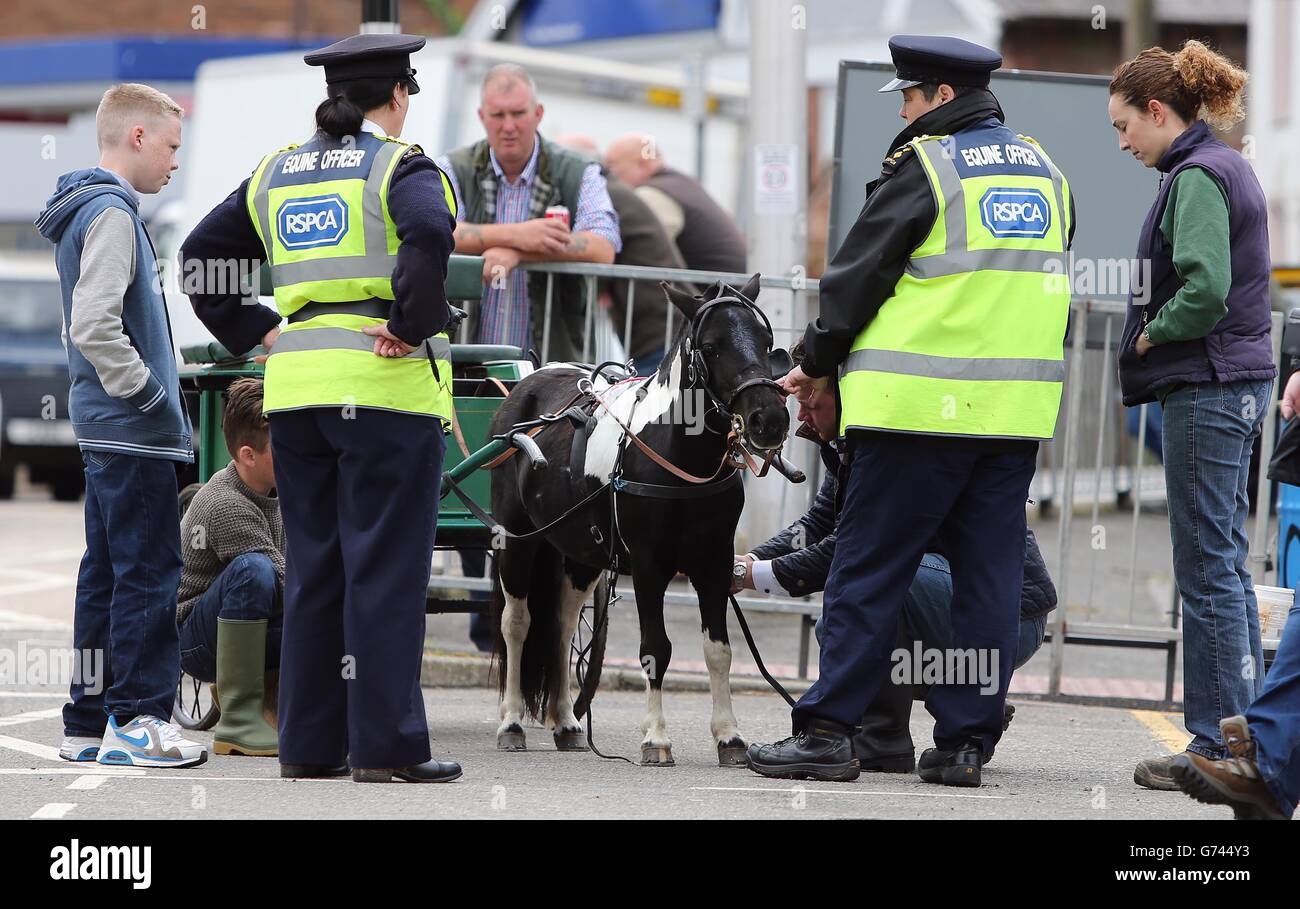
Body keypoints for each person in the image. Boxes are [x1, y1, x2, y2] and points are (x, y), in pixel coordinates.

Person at [745, 35, 1075, 788]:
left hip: (918, 412)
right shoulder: (1049, 172)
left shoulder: (928, 166)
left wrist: (814, 361)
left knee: (867, 568)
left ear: (943, 97)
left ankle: (829, 731)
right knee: (988, 581)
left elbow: (855, 280)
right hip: (1010, 418)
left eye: (909, 95)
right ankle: (963, 744)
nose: (902, 109)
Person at [180, 33, 462, 783]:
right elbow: (432, 232)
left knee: (316, 570)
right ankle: (390, 748)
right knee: (387, 570)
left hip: (296, 395)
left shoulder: (274, 171)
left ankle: (308, 746)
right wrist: (411, 324)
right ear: (397, 95)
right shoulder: (400, 164)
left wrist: (258, 330)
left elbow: (199, 256)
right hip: (381, 391)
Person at [733, 344, 1055, 771]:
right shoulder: (854, 441)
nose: (802, 417)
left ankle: (883, 734)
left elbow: (846, 551)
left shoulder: (897, 442)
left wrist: (752, 575)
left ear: (847, 389)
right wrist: (744, 559)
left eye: (811, 399)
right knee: (850, 606)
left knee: (869, 585)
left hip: (1017, 616)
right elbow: (819, 523)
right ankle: (963, 716)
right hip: (976, 605)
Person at [1108, 41, 1275, 791]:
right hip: (1235, 380)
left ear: (1156, 111)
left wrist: (1152, 331)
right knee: (1226, 569)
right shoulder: (1227, 163)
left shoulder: (1198, 176)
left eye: (1124, 127)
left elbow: (1205, 289)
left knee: (1205, 573)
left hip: (1206, 385)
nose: (1122, 144)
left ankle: (1214, 744)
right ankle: (1245, 740)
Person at [36, 83, 207, 769]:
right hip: (132, 428)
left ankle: (87, 721)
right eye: (170, 146)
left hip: (103, 426)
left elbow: (73, 323)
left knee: (104, 575)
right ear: (136, 137)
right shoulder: (112, 212)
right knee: (148, 573)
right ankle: (138, 722)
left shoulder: (79, 212)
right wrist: (153, 397)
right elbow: (94, 324)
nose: (174, 163)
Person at [435, 65, 620, 362]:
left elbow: (603, 246)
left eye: (518, 113)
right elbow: (439, 233)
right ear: (482, 116)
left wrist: (519, 254)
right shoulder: (452, 167)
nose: (508, 126)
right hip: (467, 356)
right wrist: (520, 234)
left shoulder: (578, 170)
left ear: (538, 113)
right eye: (498, 115)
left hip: (553, 365)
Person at [176, 378, 283, 757]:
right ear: (248, 455)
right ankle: (238, 721)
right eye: (281, 446)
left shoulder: (277, 488)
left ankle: (283, 706)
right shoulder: (226, 503)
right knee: (254, 569)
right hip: (198, 642)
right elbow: (283, 581)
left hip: (245, 622)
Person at [554, 133, 680, 375]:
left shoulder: (603, 193)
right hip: (659, 322)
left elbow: (598, 249)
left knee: (659, 407)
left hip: (657, 327)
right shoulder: (612, 190)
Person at [604, 132, 747, 275]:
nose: (606, 173)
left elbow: (641, 250)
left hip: (706, 294)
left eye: (611, 164)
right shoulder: (681, 185)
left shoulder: (654, 194)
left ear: (643, 164)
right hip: (724, 291)